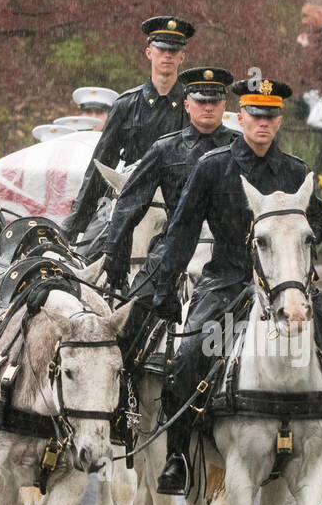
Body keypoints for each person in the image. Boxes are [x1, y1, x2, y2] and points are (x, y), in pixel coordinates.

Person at [149, 76, 322, 496]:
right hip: (228, 278)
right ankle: (177, 458)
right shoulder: (213, 167)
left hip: (288, 283)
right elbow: (182, 230)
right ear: (241, 117)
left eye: (271, 115)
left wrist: (299, 234)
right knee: (190, 355)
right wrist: (162, 288)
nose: (263, 123)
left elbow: (320, 219)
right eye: (255, 115)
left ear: (279, 121)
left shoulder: (295, 171)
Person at [102, 66, 238, 363]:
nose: (208, 107)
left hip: (231, 248)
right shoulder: (165, 149)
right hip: (174, 245)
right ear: (187, 103)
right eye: (201, 100)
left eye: (214, 101)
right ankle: (124, 396)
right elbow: (130, 202)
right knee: (128, 322)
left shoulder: (241, 147)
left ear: (224, 105)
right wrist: (115, 259)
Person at [64, 17, 193, 239]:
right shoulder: (126, 105)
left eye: (174, 50)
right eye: (161, 49)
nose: (167, 55)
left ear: (182, 56)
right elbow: (101, 164)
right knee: (88, 254)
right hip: (128, 198)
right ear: (148, 52)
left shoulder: (192, 107)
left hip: (179, 206)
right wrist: (75, 223)